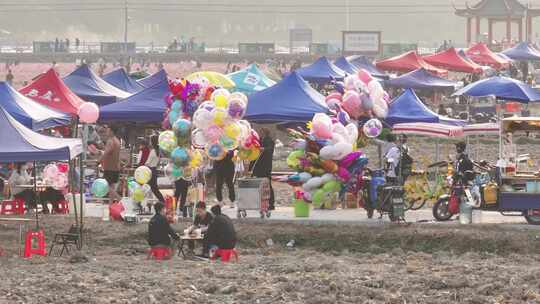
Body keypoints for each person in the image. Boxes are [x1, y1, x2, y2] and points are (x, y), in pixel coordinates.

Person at [251, 127, 276, 210]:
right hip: (258, 167)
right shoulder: (259, 140)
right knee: (258, 184)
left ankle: (271, 203)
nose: (260, 133)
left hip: (265, 167)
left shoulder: (269, 140)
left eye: (261, 132)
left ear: (265, 132)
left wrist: (264, 149)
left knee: (267, 184)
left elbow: (270, 149)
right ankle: (260, 203)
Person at [99, 125, 122, 201]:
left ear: (111, 131)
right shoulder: (117, 141)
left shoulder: (110, 141)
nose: (106, 132)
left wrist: (99, 160)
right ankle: (111, 204)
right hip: (116, 167)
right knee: (111, 186)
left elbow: (107, 152)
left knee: (106, 186)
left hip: (109, 167)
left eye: (108, 131)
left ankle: (120, 199)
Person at [146, 135, 164, 203]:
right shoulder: (158, 151)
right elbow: (158, 161)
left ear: (152, 142)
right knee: (153, 188)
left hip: (150, 170)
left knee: (150, 188)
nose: (149, 142)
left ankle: (161, 201)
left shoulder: (153, 151)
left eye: (150, 140)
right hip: (154, 170)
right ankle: (160, 201)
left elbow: (148, 162)